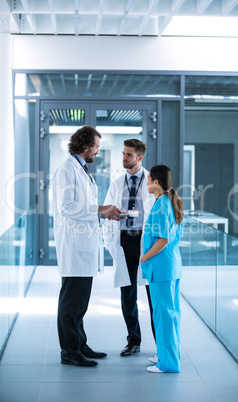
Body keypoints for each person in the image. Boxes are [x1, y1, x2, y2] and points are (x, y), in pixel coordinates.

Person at [53, 125, 123, 367]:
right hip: (74, 246)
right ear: (84, 146)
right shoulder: (67, 169)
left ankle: (80, 344)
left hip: (84, 245)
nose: (97, 152)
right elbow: (67, 207)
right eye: (96, 147)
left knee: (80, 302)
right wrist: (100, 210)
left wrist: (103, 212)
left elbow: (85, 206)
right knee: (72, 302)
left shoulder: (80, 168)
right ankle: (69, 352)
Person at [103, 139, 155, 357]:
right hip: (125, 241)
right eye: (123, 154)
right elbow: (106, 212)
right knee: (127, 294)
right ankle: (133, 341)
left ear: (140, 158)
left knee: (154, 295)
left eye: (129, 155)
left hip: (147, 243)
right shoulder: (117, 182)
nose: (124, 158)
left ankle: (162, 344)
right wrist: (109, 243)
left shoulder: (152, 180)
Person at [141, 165, 184, 373]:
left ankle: (167, 364)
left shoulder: (160, 205)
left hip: (161, 268)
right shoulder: (169, 201)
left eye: (149, 178)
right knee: (172, 313)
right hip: (171, 267)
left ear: (156, 181)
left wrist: (144, 257)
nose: (147, 181)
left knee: (163, 314)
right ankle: (169, 356)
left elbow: (163, 240)